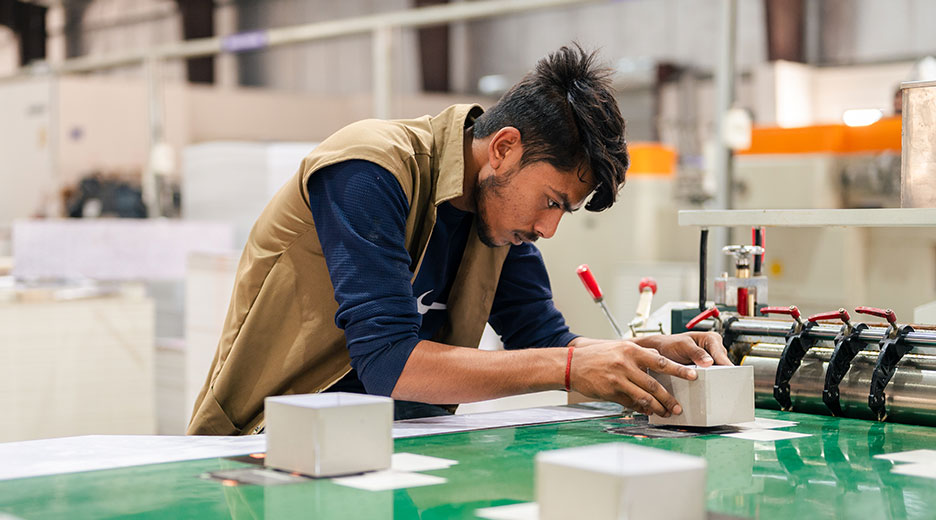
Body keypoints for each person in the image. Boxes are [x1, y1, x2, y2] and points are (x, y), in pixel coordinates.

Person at [187, 44, 730, 436]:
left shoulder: (497, 221)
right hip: (269, 449)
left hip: (394, 450)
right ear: (504, 148)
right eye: (552, 202)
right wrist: (570, 367)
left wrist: (637, 356)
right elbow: (388, 363)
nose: (548, 229)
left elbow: (541, 339)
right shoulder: (370, 169)